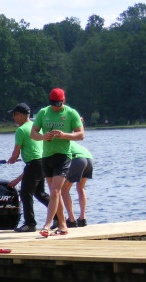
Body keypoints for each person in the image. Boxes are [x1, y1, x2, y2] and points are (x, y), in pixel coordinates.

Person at [30, 88, 84, 237]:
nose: (55, 106)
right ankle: (63, 226)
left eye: (58, 104)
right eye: (53, 103)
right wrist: (43, 137)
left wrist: (64, 135)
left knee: (54, 191)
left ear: (63, 100)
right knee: (56, 193)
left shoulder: (70, 113)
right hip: (47, 157)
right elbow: (33, 134)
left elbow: (81, 134)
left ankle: (47, 225)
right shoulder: (43, 112)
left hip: (63, 156)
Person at [6, 103, 50, 232]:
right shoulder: (37, 127)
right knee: (40, 193)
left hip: (34, 164)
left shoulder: (21, 130)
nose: (13, 117)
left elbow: (15, 153)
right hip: (43, 163)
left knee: (26, 193)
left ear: (21, 115)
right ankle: (59, 217)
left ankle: (30, 224)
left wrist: (12, 160)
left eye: (15, 114)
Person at [61, 142, 93, 227]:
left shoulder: (55, 144)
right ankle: (82, 218)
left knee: (64, 190)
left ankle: (71, 220)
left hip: (78, 159)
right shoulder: (71, 141)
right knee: (81, 188)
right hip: (89, 158)